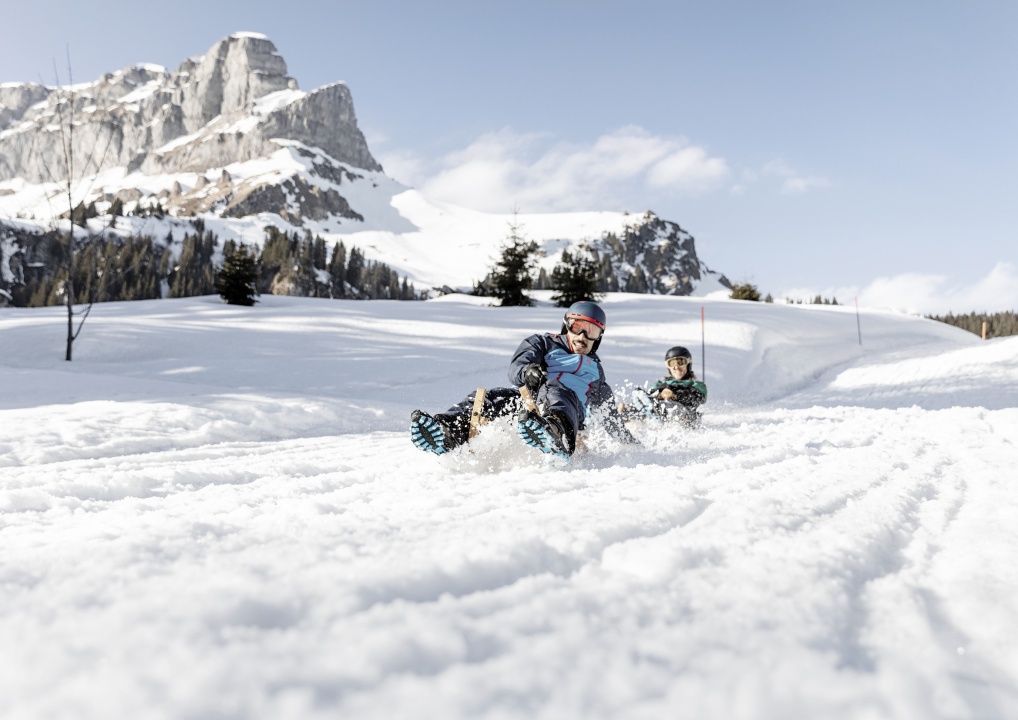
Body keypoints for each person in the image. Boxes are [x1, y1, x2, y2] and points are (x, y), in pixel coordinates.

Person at [410, 300, 638, 457]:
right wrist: (527, 372)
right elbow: (517, 367)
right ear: (566, 326)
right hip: (529, 406)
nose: (582, 336)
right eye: (578, 327)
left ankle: (556, 435)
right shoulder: (543, 343)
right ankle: (448, 432)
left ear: (598, 338)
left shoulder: (595, 370)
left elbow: (607, 411)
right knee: (493, 397)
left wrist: (630, 443)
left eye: (592, 331)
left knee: (557, 388)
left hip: (569, 413)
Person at [627, 346, 708, 427]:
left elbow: (696, 397)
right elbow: (651, 394)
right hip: (659, 412)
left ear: (688, 363)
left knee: (671, 406)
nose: (676, 367)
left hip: (686, 419)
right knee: (643, 403)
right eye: (672, 363)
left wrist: (675, 395)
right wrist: (660, 394)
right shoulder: (661, 384)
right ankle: (625, 416)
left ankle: (656, 415)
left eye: (680, 362)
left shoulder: (696, 385)